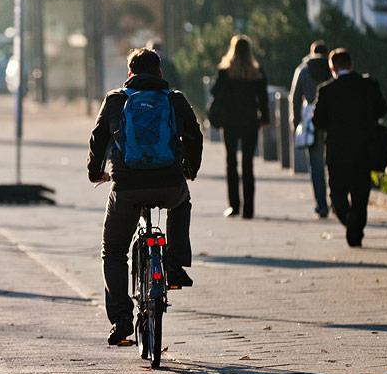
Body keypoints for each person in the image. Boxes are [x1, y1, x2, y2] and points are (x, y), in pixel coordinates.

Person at [87, 48, 203, 345]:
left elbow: (98, 138)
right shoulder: (175, 99)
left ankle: (122, 320)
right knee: (181, 202)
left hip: (126, 186)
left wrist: (95, 173)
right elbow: (194, 136)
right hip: (168, 182)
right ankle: (175, 267)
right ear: (160, 73)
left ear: (130, 74)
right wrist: (189, 169)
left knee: (113, 251)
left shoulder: (115, 100)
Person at [312, 48, 387, 247]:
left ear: (332, 68)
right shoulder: (369, 86)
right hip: (365, 149)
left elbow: (317, 121)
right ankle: (355, 231)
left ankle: (349, 221)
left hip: (337, 151)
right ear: (351, 64)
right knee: (360, 193)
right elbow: (382, 109)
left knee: (337, 193)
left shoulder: (326, 91)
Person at [210, 35, 269, 219]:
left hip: (230, 122)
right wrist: (264, 119)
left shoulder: (225, 72)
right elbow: (263, 99)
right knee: (248, 164)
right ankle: (249, 209)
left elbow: (215, 94)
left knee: (231, 163)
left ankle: (234, 206)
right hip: (250, 122)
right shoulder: (257, 72)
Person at [289, 41, 332, 218]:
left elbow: (295, 98)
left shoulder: (303, 70)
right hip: (331, 120)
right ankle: (337, 201)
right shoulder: (331, 68)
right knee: (333, 163)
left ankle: (321, 205)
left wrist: (296, 123)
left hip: (311, 120)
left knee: (316, 166)